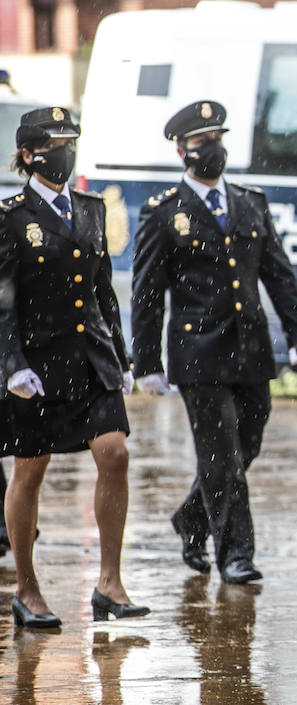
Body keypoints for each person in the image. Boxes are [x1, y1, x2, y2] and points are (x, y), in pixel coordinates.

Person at [131, 100, 297, 585]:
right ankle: (235, 554)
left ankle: (192, 518)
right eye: (201, 142)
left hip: (251, 348)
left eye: (217, 138)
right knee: (221, 455)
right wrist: (145, 360)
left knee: (248, 442)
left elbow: (278, 273)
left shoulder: (250, 201)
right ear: (181, 150)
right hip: (198, 354)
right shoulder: (164, 213)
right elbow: (147, 293)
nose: (212, 148)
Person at [0, 106, 148, 626]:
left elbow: (103, 287)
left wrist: (123, 355)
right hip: (37, 364)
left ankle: (110, 583)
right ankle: (27, 588)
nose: (65, 151)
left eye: (71, 141)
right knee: (30, 470)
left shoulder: (89, 208)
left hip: (90, 358)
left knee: (115, 454)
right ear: (28, 154)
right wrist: (12, 365)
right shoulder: (10, 216)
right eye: (55, 143)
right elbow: (2, 300)